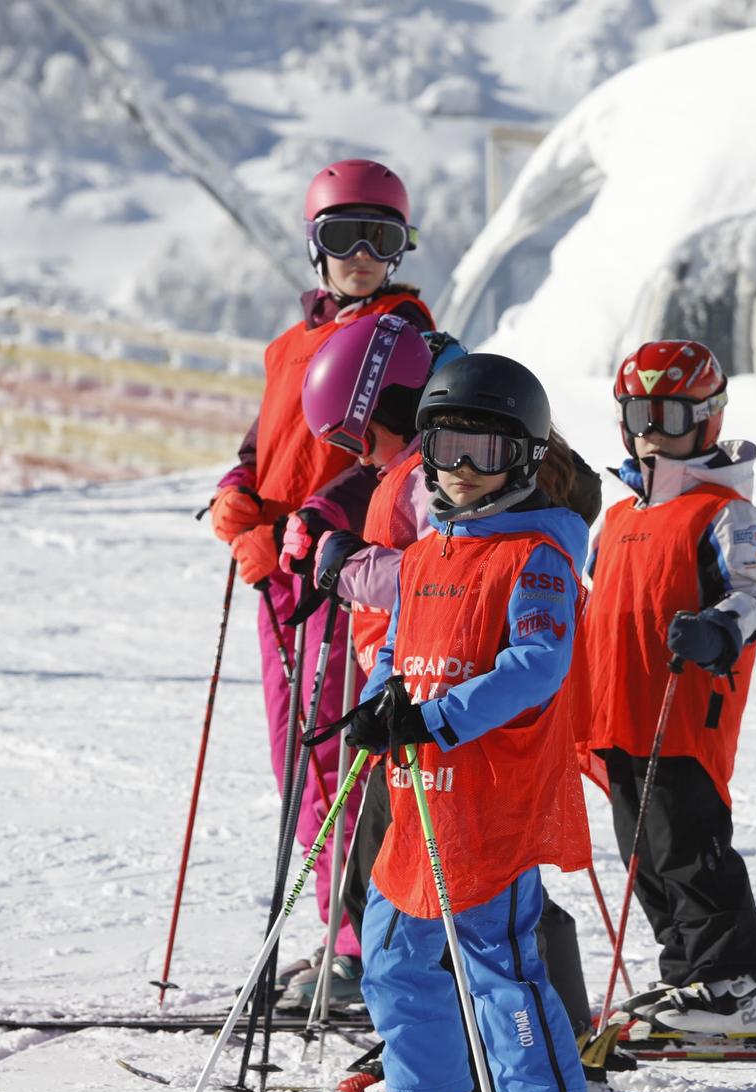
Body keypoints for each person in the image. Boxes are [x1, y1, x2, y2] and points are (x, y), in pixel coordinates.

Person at [278, 353, 616, 1092]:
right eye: (448, 445)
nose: (463, 469)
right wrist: (383, 704)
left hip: (490, 805)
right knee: (392, 950)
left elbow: (537, 664)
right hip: (421, 800)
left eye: (487, 451)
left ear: (528, 459)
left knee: (499, 964)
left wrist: (435, 716)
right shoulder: (427, 551)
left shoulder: (535, 558)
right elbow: (399, 649)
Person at [208, 158, 431, 981]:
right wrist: (239, 495)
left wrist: (315, 519)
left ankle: (362, 945)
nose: (364, 255)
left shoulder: (404, 337)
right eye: (345, 235)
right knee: (294, 760)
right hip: (278, 575)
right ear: (315, 246)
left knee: (338, 757)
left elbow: (394, 453)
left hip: (340, 569)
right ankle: (343, 931)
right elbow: (266, 442)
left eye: (384, 237)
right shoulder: (290, 344)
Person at [578, 339, 756, 1039]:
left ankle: (736, 984)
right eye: (638, 412)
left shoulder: (722, 511)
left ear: (706, 418)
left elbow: (753, 594)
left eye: (667, 414)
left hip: (683, 707)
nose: (649, 430)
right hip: (618, 711)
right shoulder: (617, 519)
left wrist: (719, 630)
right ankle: (686, 974)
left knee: (688, 849)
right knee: (644, 855)